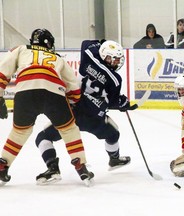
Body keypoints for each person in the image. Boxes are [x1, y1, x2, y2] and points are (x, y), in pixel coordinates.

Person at [0, 28, 94, 185]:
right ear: (49, 43)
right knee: (69, 129)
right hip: (54, 92)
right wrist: (73, 101)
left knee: (19, 132)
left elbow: (3, 73)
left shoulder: (21, 49)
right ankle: (81, 166)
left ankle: (3, 165)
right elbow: (74, 88)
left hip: (25, 92)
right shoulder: (58, 58)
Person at [35, 39, 132, 184]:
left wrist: (101, 43)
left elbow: (86, 42)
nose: (118, 62)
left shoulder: (88, 56)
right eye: (116, 59)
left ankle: (52, 167)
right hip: (94, 117)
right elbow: (113, 101)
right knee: (113, 133)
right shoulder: (115, 79)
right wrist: (123, 103)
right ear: (107, 57)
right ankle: (114, 159)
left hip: (72, 113)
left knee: (42, 138)